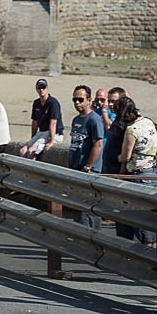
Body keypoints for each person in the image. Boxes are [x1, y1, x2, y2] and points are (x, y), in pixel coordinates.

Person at [115, 96, 157, 246]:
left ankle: (144, 255)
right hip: (152, 173)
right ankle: (152, 251)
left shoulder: (131, 129)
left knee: (139, 218)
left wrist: (119, 156)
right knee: (149, 218)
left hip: (138, 175)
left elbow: (126, 156)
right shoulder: (148, 122)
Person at [68, 85, 104, 229]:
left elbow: (98, 145)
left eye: (80, 99)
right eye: (74, 99)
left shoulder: (94, 119)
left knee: (89, 210)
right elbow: (74, 145)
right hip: (75, 169)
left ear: (89, 100)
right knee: (78, 209)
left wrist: (88, 166)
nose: (77, 103)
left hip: (89, 171)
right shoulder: (76, 120)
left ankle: (96, 240)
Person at [20, 78, 64, 159]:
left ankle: (33, 169)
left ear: (47, 88)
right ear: (36, 89)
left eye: (43, 87)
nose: (41, 90)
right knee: (23, 151)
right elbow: (35, 122)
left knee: (31, 151)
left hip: (55, 133)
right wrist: (33, 138)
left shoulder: (53, 103)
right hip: (41, 133)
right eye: (39, 88)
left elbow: (53, 123)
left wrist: (51, 141)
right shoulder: (36, 103)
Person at [100, 87, 127, 175]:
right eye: (109, 101)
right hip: (107, 163)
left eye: (114, 101)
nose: (111, 104)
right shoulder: (117, 119)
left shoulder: (125, 121)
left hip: (118, 166)